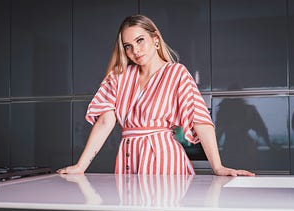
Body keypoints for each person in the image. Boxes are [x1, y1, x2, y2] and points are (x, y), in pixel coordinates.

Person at [57, 14, 255, 176]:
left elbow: (200, 120)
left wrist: (218, 167)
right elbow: (104, 122)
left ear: (155, 39)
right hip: (128, 157)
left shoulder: (176, 73)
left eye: (140, 40)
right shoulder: (119, 77)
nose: (135, 50)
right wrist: (80, 166)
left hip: (164, 159)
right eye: (128, 46)